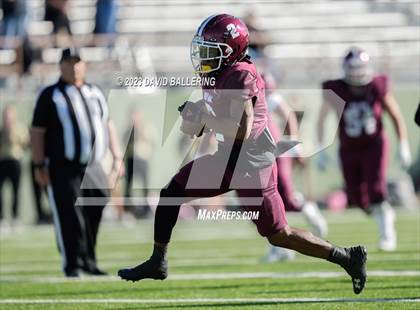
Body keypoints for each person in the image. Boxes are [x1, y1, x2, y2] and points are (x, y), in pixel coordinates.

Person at [118, 14, 367, 295]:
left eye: (210, 50)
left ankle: (347, 258)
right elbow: (198, 126)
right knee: (171, 193)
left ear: (230, 50)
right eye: (202, 49)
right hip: (228, 157)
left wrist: (203, 118)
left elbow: (242, 129)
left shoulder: (240, 74)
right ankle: (157, 261)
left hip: (252, 164)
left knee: (278, 235)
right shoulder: (215, 74)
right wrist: (193, 117)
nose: (203, 56)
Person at [31, 47, 124, 277]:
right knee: (69, 215)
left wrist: (118, 156)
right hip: (63, 165)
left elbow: (108, 123)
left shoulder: (95, 93)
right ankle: (71, 263)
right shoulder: (50, 95)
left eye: (77, 62)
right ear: (60, 66)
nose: (73, 66)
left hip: (93, 165)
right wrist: (38, 164)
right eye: (68, 62)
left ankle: (88, 259)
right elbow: (37, 132)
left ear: (84, 65)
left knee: (96, 206)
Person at [317, 47, 412, 252]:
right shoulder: (336, 88)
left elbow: (395, 116)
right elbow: (322, 119)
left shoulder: (377, 85)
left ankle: (386, 229)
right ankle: (383, 215)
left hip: (373, 145)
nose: (357, 73)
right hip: (349, 148)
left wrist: (403, 143)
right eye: (353, 68)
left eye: (360, 68)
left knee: (376, 189)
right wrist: (320, 148)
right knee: (356, 198)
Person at [262, 74, 328, 262]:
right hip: (258, 156)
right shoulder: (249, 99)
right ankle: (280, 249)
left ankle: (309, 211)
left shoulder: (271, 98)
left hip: (277, 151)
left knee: (284, 197)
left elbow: (289, 118)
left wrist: (295, 147)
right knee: (265, 205)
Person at [0, 105, 28, 229]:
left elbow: (25, 142)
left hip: (15, 160)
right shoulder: (1, 131)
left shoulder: (20, 128)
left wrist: (13, 134)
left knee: (16, 191)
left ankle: (15, 217)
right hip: (2, 161)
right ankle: (2, 218)